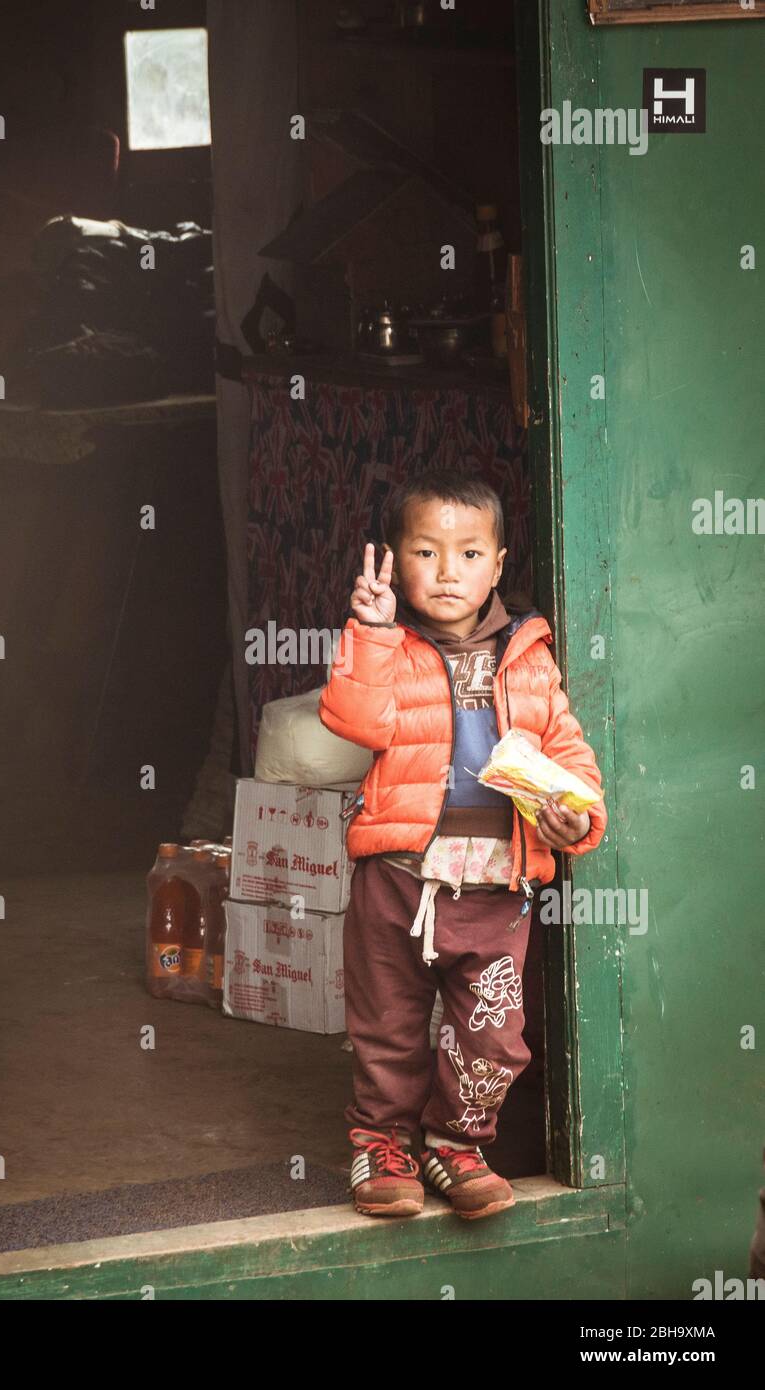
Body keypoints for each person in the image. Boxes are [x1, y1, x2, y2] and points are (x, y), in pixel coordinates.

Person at [318, 470, 608, 1221]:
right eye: (425, 551)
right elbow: (357, 721)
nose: (449, 572)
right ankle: (381, 1145)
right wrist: (372, 634)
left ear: (499, 564)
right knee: (387, 1027)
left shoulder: (528, 653)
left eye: (469, 554)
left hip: (497, 885)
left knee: (494, 1032)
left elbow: (567, 753)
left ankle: (454, 1143)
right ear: (392, 560)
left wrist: (576, 817)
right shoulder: (393, 644)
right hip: (398, 877)